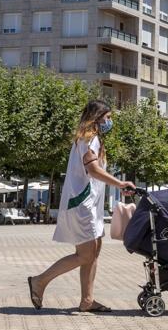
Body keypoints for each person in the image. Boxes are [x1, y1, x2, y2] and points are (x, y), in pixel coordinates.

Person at [28, 100, 135, 312]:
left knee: (93, 253)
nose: (110, 122)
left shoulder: (90, 139)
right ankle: (39, 281)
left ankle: (87, 301)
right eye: (108, 117)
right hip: (82, 204)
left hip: (90, 206)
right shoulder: (89, 139)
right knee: (85, 255)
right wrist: (120, 183)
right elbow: (93, 170)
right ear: (97, 117)